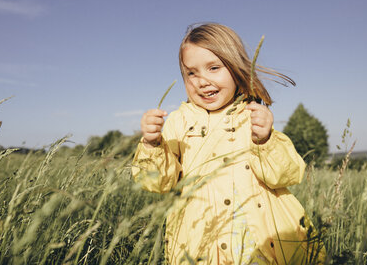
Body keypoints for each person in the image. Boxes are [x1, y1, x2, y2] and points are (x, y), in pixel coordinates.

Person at [132, 23, 324, 264]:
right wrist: (151, 144)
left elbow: (287, 175)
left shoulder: (253, 116)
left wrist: (265, 140)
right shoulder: (179, 122)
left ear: (235, 68)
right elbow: (157, 183)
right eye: (191, 73)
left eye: (213, 68)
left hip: (260, 244)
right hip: (200, 246)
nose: (202, 81)